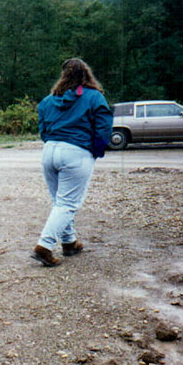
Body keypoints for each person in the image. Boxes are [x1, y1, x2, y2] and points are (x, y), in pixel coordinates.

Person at [32, 58, 113, 267]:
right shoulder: (94, 97)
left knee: (59, 201)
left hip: (50, 150)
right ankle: (45, 245)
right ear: (87, 74)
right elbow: (104, 128)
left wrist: (52, 142)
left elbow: (43, 129)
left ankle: (69, 242)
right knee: (67, 203)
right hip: (76, 151)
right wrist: (95, 151)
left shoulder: (48, 100)